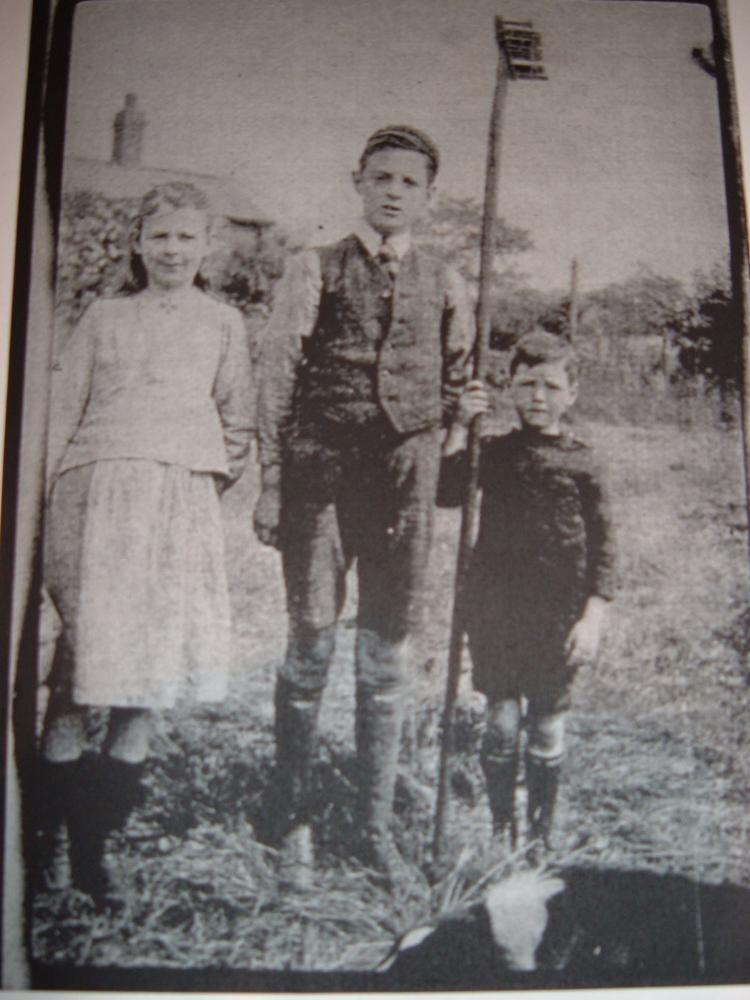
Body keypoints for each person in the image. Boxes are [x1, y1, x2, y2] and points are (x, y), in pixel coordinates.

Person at [255, 125, 474, 879]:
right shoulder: (312, 267)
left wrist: (461, 414)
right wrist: (273, 480)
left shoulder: (446, 278)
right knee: (312, 641)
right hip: (321, 476)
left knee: (386, 651)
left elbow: (456, 377)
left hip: (404, 479)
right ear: (357, 181)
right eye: (380, 177)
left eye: (409, 183)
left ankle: (372, 828)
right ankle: (293, 819)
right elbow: (277, 378)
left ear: (428, 196)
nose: (392, 192)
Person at [38, 181, 254, 907]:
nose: (172, 251)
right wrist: (50, 508)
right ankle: (48, 849)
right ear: (138, 242)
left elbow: (238, 424)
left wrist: (187, 490)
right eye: (159, 236)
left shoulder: (223, 324)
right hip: (93, 495)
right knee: (79, 669)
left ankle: (96, 852)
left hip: (177, 504)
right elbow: (58, 415)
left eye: (187, 238)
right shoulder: (103, 316)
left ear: (206, 248)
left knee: (149, 673)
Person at [438, 330, 616, 855]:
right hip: (495, 606)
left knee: (545, 724)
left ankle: (539, 838)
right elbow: (447, 492)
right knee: (500, 723)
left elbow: (607, 544)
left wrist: (593, 616)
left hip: (557, 611)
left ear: (572, 393)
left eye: (551, 386)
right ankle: (500, 833)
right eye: (526, 384)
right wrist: (460, 424)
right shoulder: (492, 452)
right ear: (509, 388)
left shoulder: (584, 462)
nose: (538, 397)